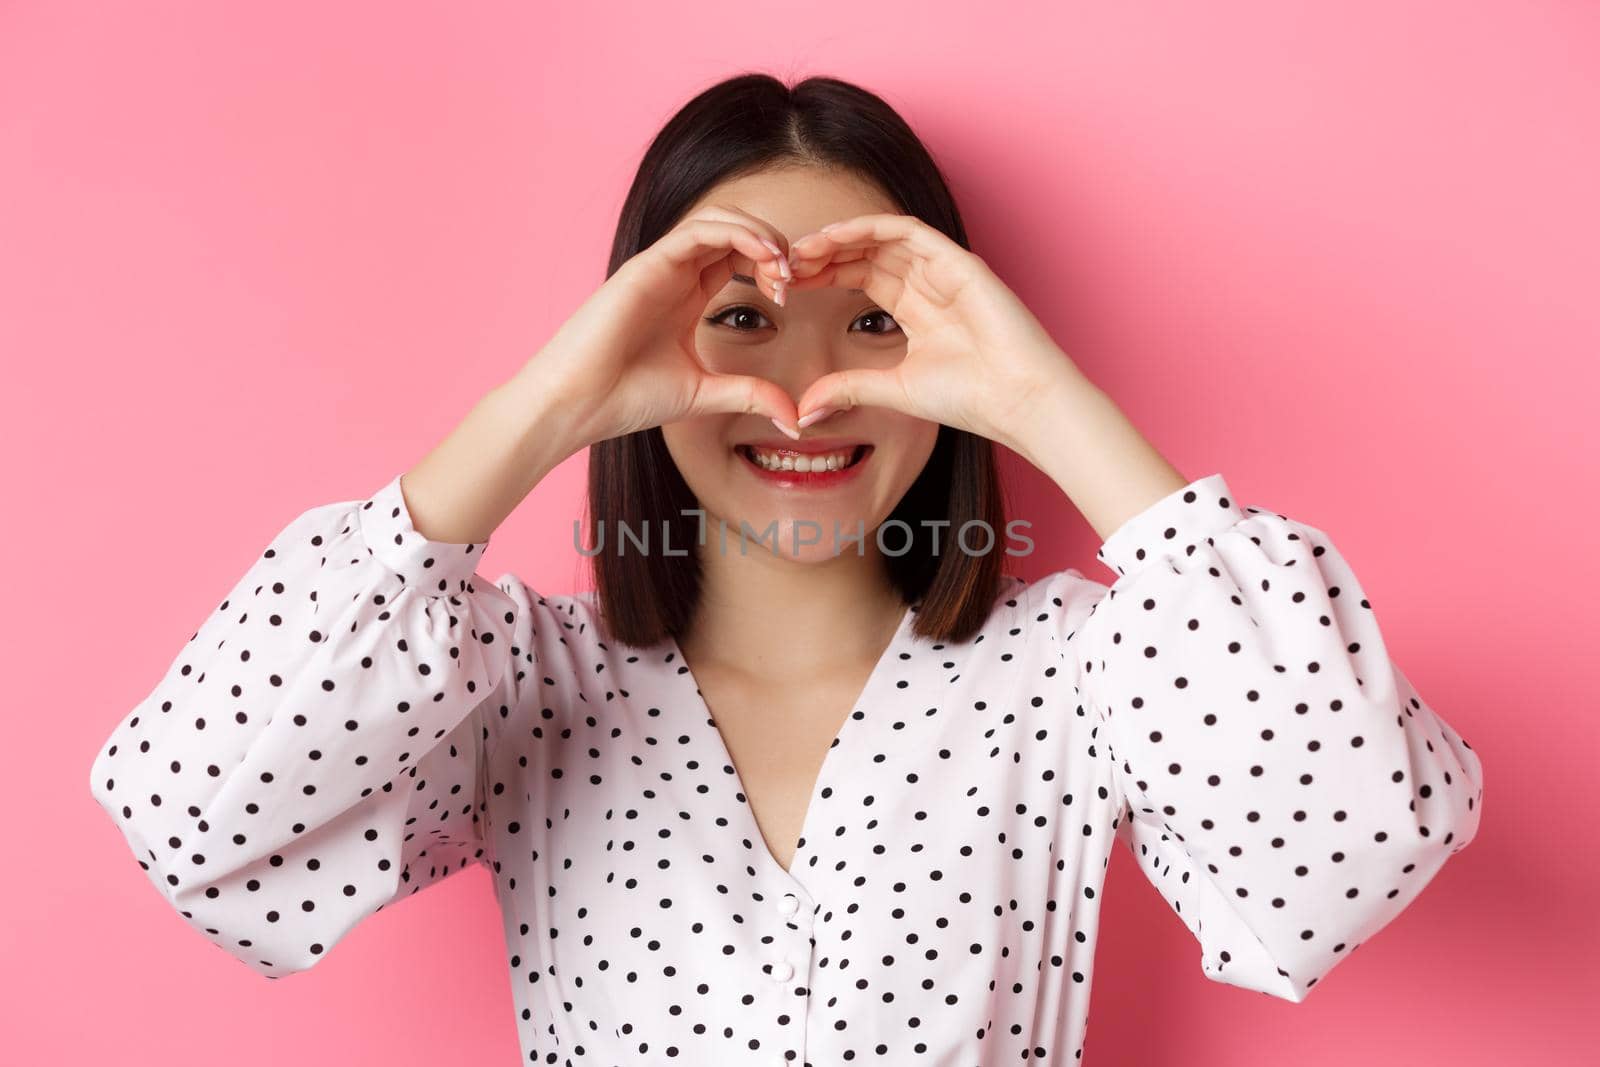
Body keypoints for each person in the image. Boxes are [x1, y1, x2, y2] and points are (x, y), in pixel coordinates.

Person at [88, 72, 1484, 1064]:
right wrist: (545, 407)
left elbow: (1352, 836)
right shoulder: (517, 684)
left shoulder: (1079, 672)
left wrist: (1043, 396)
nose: (803, 394)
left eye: (871, 324)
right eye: (742, 320)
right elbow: (193, 810)